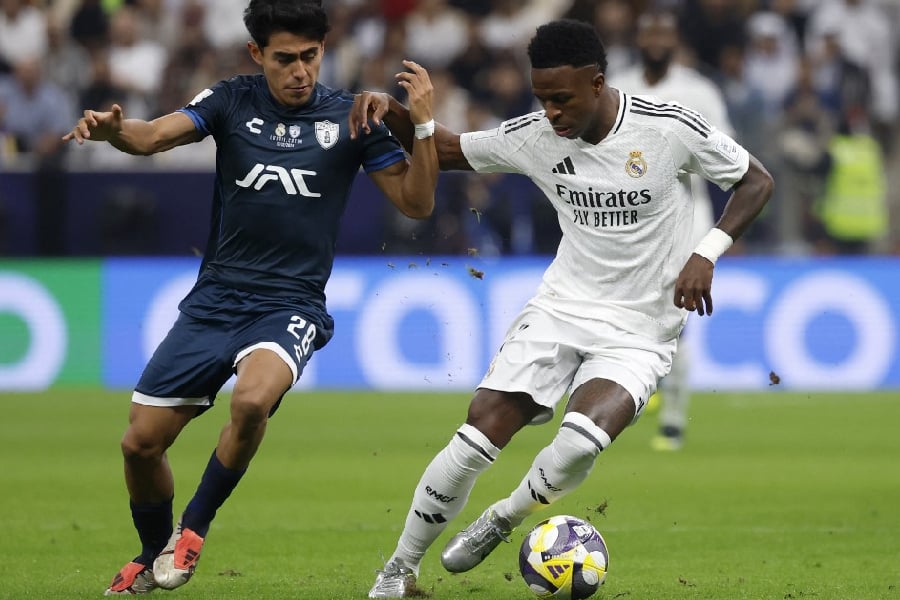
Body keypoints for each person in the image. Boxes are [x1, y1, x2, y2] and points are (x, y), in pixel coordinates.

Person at [350, 18, 773, 598]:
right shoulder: (536, 135)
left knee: (580, 440)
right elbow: (445, 150)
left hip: (641, 327)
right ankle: (397, 570)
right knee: (478, 433)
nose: (551, 112)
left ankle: (504, 516)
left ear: (597, 83)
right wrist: (395, 112)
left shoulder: (668, 128)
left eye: (562, 98)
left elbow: (755, 181)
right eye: (542, 98)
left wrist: (708, 252)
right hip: (561, 308)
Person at [63, 0, 438, 595]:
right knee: (139, 444)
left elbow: (417, 204)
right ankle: (150, 550)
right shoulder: (231, 100)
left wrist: (418, 124)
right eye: (285, 58)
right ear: (257, 54)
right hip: (215, 301)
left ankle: (194, 528)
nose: (300, 72)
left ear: (323, 50)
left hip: (291, 304)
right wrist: (115, 132)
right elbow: (154, 135)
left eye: (310, 57)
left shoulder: (352, 118)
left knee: (251, 401)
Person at [610, 8, 737, 451]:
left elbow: (730, 156)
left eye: (664, 31)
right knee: (625, 317)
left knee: (677, 320)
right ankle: (637, 389)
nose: (657, 39)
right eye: (649, 31)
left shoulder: (698, 90)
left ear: (676, 38)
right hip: (627, 223)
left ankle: (674, 422)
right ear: (637, 38)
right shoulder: (616, 86)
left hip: (687, 219)